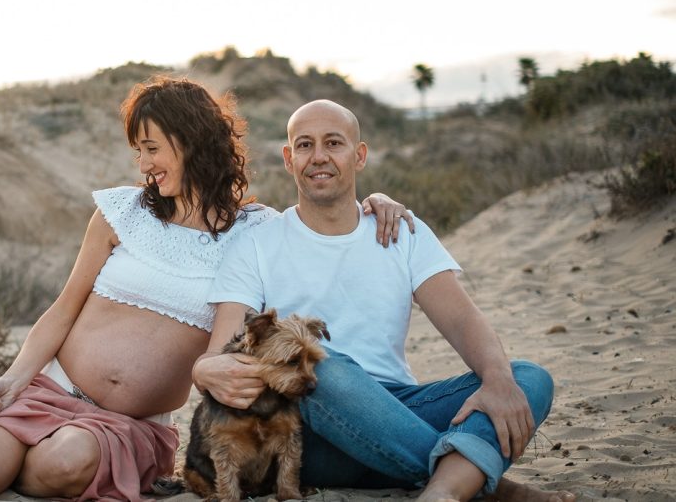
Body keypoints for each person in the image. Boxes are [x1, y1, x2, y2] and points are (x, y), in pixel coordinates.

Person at [0, 78, 411, 501]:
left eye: (152, 149)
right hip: (54, 390)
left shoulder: (257, 232)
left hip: (128, 424)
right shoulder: (121, 211)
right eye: (139, 151)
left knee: (63, 463)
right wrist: (13, 379)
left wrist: (375, 202)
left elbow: (321, 219)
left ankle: (14, 463)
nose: (143, 164)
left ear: (191, 141)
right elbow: (64, 310)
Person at [194, 100, 575, 502]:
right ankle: (476, 486)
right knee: (321, 364)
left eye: (334, 143)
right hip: (308, 434)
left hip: (400, 409)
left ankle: (446, 488)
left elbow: (463, 320)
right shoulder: (257, 244)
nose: (318, 156)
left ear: (359, 156)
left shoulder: (402, 231)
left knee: (528, 378)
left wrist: (498, 380)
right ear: (289, 159)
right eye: (305, 145)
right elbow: (221, 352)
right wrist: (205, 368)